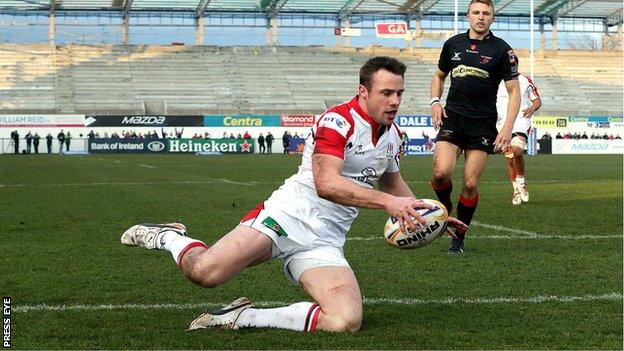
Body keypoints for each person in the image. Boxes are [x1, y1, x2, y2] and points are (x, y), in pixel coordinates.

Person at [120, 56, 466, 333]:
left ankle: (242, 317)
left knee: (345, 321)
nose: (395, 101)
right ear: (363, 92)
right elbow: (326, 185)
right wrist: (391, 204)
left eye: (399, 94)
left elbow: (391, 184)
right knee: (205, 273)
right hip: (284, 218)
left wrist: (428, 214)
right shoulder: (337, 122)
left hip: (325, 241)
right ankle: (167, 236)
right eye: (386, 93)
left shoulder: (393, 136)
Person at [429, 0, 520, 254]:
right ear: (468, 16)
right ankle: (444, 210)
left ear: (493, 18)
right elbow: (438, 76)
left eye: (486, 13)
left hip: (482, 124)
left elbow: (514, 91)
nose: (481, 17)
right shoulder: (452, 45)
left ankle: (458, 238)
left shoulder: (502, 50)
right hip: (453, 119)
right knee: (441, 174)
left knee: (470, 184)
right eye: (476, 12)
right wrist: (435, 101)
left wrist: (507, 128)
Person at [496, 70, 542, 205]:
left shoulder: (524, 80)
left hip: (521, 119)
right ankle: (515, 189)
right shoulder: (495, 78)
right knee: (510, 157)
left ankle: (521, 183)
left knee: (517, 151)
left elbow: (537, 100)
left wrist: (533, 108)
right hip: (501, 122)